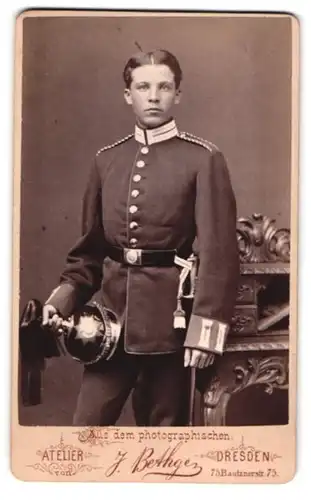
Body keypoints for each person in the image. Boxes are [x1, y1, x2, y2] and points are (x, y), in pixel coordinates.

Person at [42, 49, 240, 426]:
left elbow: (219, 254)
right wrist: (62, 302)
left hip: (170, 332)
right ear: (127, 94)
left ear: (177, 94)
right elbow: (88, 253)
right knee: (86, 432)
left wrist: (205, 333)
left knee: (163, 444)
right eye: (143, 86)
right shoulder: (106, 160)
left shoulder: (203, 159)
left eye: (164, 87)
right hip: (108, 329)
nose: (153, 96)